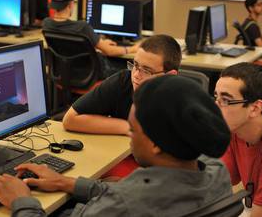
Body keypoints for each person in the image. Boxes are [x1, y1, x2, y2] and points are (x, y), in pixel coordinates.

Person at [0, 75, 233, 217]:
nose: (130, 137)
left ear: (156, 144)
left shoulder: (125, 206)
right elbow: (131, 195)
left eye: (133, 130)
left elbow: (126, 201)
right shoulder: (216, 172)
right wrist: (68, 183)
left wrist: (21, 200)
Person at [62, 34, 181, 177]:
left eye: (146, 70)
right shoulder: (123, 82)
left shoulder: (180, 104)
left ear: (170, 75)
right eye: (135, 65)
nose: (136, 75)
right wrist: (128, 127)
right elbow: (70, 119)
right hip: (125, 162)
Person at [214, 62, 262, 217]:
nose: (215, 107)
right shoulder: (235, 129)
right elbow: (217, 182)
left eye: (226, 100)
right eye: (216, 97)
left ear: (255, 108)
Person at [43, 0, 140, 78]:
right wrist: (132, 48)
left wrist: (100, 42)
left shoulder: (47, 24)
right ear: (70, 5)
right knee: (129, 68)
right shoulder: (82, 27)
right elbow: (109, 51)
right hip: (90, 75)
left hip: (64, 73)